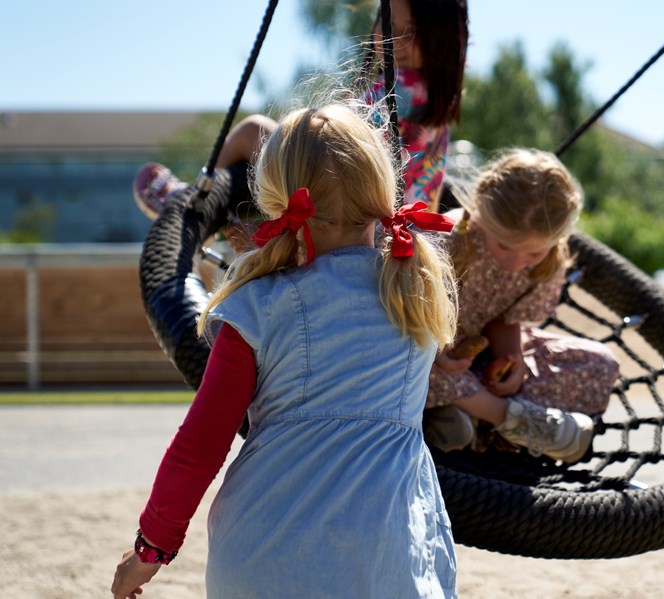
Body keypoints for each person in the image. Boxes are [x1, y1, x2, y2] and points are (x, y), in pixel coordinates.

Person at [111, 103, 460, 598]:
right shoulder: (417, 296)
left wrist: (151, 549)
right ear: (384, 188)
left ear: (276, 200)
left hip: (262, 559)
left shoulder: (259, 304)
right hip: (385, 563)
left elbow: (200, 444)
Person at [132, 0, 468, 220]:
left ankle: (189, 203)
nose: (395, 40)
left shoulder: (401, 88)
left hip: (348, 208)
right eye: (388, 24)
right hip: (397, 225)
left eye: (412, 33)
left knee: (252, 131)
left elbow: (337, 132)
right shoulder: (440, 101)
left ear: (442, 41)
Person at [423, 148, 620, 464]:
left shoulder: (549, 265)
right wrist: (438, 352)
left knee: (600, 365)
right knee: (411, 364)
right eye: (503, 246)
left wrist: (509, 362)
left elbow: (505, 320)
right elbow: (406, 315)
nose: (515, 262)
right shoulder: (444, 239)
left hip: (474, 362)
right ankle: (505, 420)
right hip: (427, 346)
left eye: (533, 254)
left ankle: (463, 417)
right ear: (480, 213)